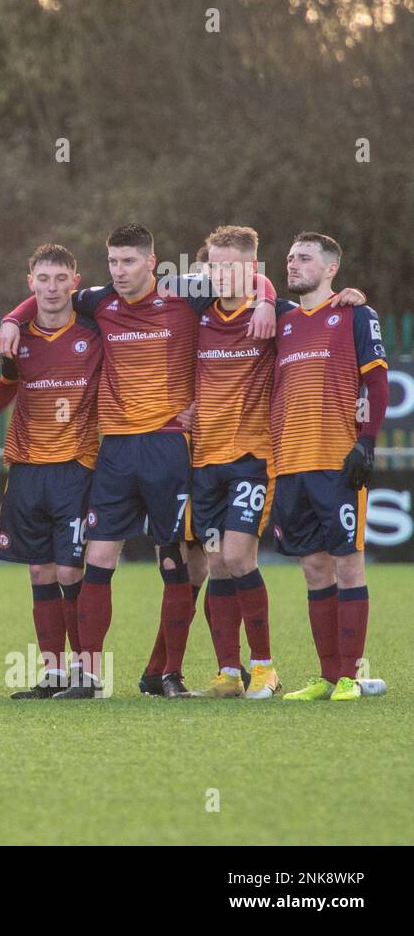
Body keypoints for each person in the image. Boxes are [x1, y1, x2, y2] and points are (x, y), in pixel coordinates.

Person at [0, 224, 277, 698]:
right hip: (116, 450)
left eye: (129, 262)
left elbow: (249, 279)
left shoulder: (188, 297)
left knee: (175, 563)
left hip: (170, 448)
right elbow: (51, 295)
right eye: (113, 262)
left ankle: (168, 674)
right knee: (98, 556)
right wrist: (10, 318)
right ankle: (88, 676)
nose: (120, 271)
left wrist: (268, 299)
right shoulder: (99, 301)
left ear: (152, 262)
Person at [273, 233, 388, 701]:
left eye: (304, 258)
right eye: (290, 258)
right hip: (289, 463)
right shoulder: (281, 320)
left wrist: (366, 443)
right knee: (315, 571)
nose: (293, 264)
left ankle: (350, 677)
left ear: (331, 268)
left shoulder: (357, 314)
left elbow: (377, 382)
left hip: (336, 460)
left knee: (347, 566)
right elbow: (243, 288)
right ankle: (326, 676)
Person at [0, 245, 101, 698]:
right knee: (40, 573)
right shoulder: (16, 341)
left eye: (60, 278)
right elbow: (3, 389)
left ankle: (84, 673)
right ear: (30, 282)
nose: (51, 287)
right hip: (27, 469)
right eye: (43, 279)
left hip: (76, 467)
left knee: (72, 571)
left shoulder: (95, 332)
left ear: (75, 281)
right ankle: (53, 673)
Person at [186, 226, 282, 698]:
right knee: (215, 562)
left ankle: (264, 666)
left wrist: (267, 297)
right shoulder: (199, 313)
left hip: (251, 457)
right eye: (214, 266)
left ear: (252, 268)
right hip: (204, 460)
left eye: (233, 266)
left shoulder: (270, 315)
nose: (222, 275)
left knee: (239, 555)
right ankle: (229, 672)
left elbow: (317, 307)